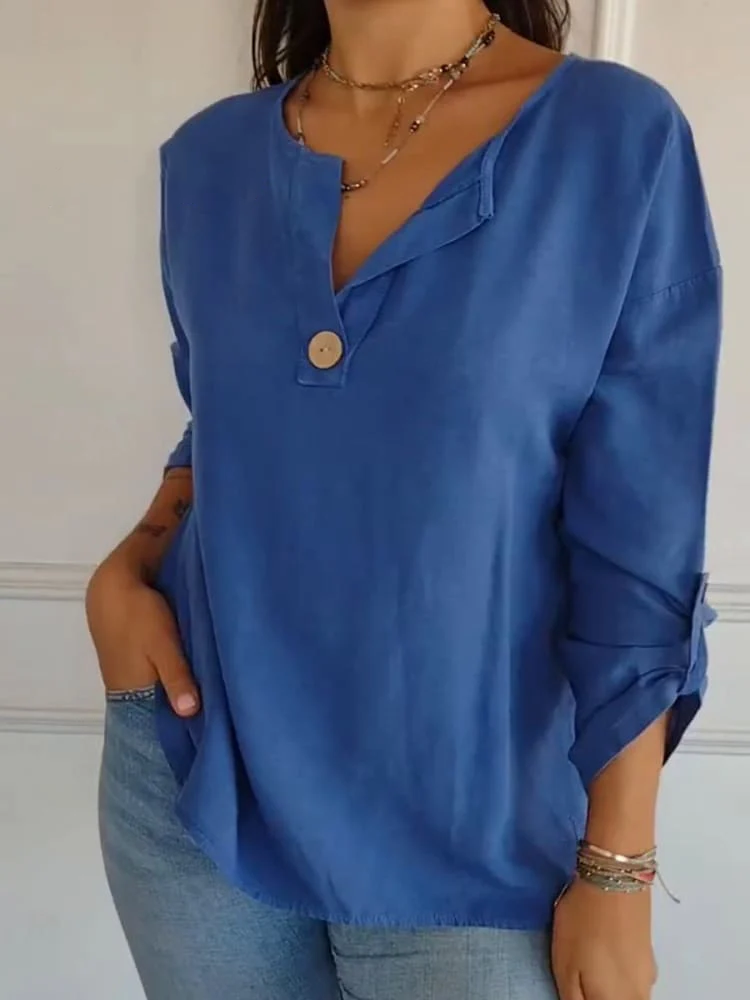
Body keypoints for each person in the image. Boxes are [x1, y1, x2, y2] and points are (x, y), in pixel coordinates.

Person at [86, 1, 722, 998]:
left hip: (478, 836)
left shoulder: (613, 140)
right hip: (200, 780)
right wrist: (128, 568)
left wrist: (618, 865)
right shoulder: (207, 162)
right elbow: (221, 426)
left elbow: (640, 541)